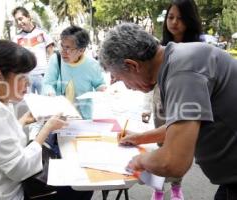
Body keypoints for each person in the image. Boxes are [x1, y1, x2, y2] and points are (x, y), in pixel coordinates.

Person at [99, 23, 237, 200]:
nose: (128, 87)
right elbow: (183, 124)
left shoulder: (182, 71)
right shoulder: (177, 62)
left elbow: (173, 162)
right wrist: (141, 138)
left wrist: (139, 161)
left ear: (132, 66)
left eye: (121, 79)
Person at [0, 40, 93, 200]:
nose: (28, 82)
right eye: (22, 76)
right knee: (82, 186)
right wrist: (46, 129)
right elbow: (19, 169)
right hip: (2, 195)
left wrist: (22, 121)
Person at [140, 1, 203, 199]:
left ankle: (176, 186)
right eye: (170, 17)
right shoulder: (158, 47)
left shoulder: (198, 49)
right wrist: (146, 107)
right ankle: (158, 187)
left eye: (180, 17)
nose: (174, 22)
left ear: (190, 20)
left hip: (186, 101)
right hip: (161, 101)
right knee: (162, 144)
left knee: (182, 146)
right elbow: (148, 80)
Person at [43, 26, 106, 119]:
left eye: (68, 48)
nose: (63, 51)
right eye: (62, 46)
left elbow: (99, 85)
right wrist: (51, 94)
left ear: (81, 50)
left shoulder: (92, 65)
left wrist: (106, 91)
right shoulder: (56, 60)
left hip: (83, 118)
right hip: (59, 117)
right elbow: (48, 83)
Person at [12, 6, 54, 94]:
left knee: (46, 103)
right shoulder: (16, 38)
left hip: (43, 75)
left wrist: (49, 72)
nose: (19, 22)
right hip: (26, 76)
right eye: (17, 21)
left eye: (21, 19)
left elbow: (51, 52)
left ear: (28, 17)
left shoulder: (42, 33)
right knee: (29, 104)